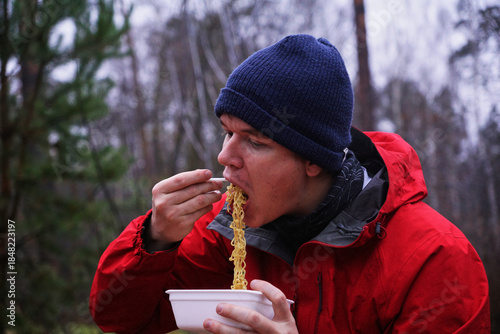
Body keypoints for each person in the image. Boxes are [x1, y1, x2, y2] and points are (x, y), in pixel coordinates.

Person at [89, 34, 490, 333]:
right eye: (227, 133)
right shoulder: (228, 229)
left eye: (254, 141)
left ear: (313, 160)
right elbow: (120, 317)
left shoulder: (432, 258)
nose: (224, 156)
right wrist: (156, 239)